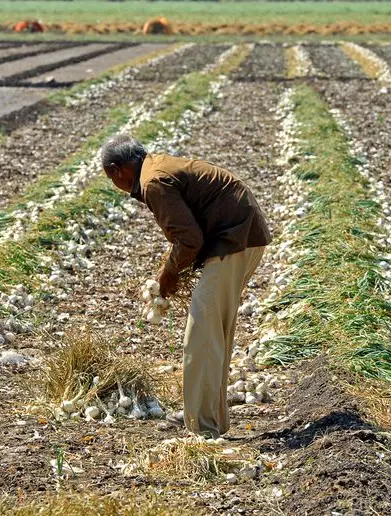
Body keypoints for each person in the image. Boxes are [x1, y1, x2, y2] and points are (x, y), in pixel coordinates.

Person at [100, 134, 271, 438]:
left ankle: (203, 428)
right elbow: (189, 237)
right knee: (213, 333)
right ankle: (208, 418)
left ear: (116, 170)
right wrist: (173, 269)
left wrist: (169, 274)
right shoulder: (158, 168)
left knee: (202, 335)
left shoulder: (153, 181)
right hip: (240, 238)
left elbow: (189, 240)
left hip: (233, 241)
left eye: (109, 177)